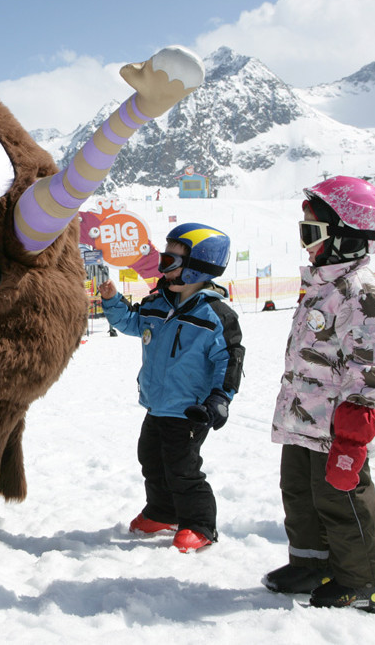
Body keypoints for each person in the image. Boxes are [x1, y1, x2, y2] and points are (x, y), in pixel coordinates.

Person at [262, 175, 375, 613]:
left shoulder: (363, 294)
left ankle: (368, 582)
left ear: (347, 238)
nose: (305, 243)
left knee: (342, 501)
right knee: (300, 493)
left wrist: (354, 433)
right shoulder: (324, 285)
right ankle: (312, 564)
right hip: (305, 418)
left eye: (311, 232)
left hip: (338, 427)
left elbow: (371, 367)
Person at [99, 222, 244, 553]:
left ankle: (200, 524)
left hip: (191, 410)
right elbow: (131, 323)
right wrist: (112, 299)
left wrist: (220, 399)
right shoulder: (156, 304)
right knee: (150, 459)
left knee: (182, 468)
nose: (163, 269)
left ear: (196, 269)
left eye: (170, 263)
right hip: (156, 404)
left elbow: (230, 360)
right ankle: (163, 512)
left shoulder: (215, 315)